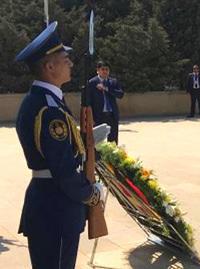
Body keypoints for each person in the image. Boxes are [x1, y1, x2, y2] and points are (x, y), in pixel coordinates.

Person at [14, 21, 104, 269]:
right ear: (50, 66)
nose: (71, 64)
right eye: (65, 59)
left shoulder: (42, 101)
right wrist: (90, 192)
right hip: (56, 208)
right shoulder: (49, 109)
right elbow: (62, 169)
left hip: (49, 204)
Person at [88, 61, 124, 143]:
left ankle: (112, 155)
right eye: (102, 69)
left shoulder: (113, 82)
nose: (105, 71)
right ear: (98, 70)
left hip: (112, 115)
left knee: (113, 141)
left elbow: (120, 94)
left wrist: (106, 89)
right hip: (98, 116)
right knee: (98, 142)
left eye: (107, 69)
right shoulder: (92, 83)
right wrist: (90, 117)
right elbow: (88, 101)